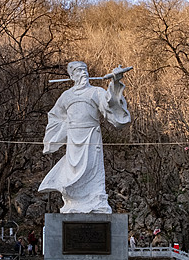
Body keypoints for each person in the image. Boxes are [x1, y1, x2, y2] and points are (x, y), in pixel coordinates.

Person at [39, 61, 131, 213]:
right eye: (78, 71)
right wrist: (59, 134)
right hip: (73, 140)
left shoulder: (96, 92)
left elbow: (109, 104)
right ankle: (73, 202)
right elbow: (55, 116)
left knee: (93, 171)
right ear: (72, 76)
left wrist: (115, 82)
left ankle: (96, 201)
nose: (83, 73)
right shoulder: (66, 96)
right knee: (71, 173)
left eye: (84, 70)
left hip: (91, 137)